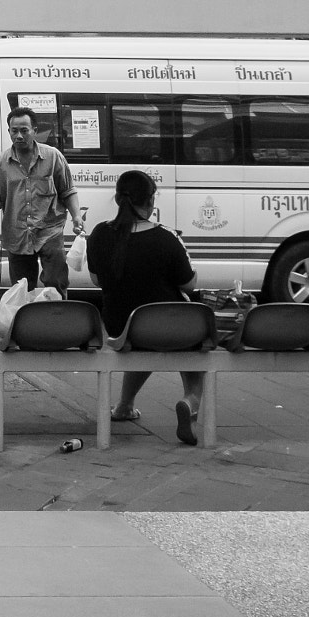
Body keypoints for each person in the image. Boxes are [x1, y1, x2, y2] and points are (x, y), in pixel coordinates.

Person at [86, 170, 205, 446]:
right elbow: (189, 284)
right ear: (151, 202)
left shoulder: (100, 234)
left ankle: (125, 406)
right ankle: (191, 401)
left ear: (117, 199)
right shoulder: (166, 238)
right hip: (169, 329)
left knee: (142, 332)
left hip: (123, 330)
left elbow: (95, 279)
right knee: (193, 341)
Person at [0, 107, 82, 293]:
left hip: (49, 231)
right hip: (17, 234)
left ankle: (57, 318)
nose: (19, 135)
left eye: (24, 130)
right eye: (14, 131)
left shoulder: (53, 157)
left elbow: (68, 190)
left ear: (35, 130)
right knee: (22, 289)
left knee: (55, 282)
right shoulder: (1, 163)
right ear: (9, 131)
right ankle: (25, 320)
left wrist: (76, 216)